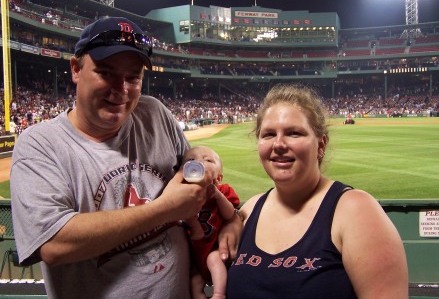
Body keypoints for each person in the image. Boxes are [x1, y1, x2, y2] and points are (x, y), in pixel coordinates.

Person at [10, 17, 240, 299]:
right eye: (106, 73)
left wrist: (231, 220)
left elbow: (197, 186)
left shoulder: (154, 113)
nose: (121, 88)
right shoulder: (40, 144)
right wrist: (163, 210)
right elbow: (54, 244)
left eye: (133, 77)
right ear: (76, 69)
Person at [226, 84, 408, 299]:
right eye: (268, 134)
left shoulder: (356, 211)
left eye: (294, 133)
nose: (278, 144)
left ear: (321, 145)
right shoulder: (249, 210)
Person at [181, 146, 241, 299]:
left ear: (219, 178)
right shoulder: (181, 196)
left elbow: (230, 215)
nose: (198, 162)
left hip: (213, 247)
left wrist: (217, 195)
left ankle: (219, 294)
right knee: (194, 281)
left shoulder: (224, 190)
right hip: (195, 253)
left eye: (207, 160)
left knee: (214, 260)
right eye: (191, 160)